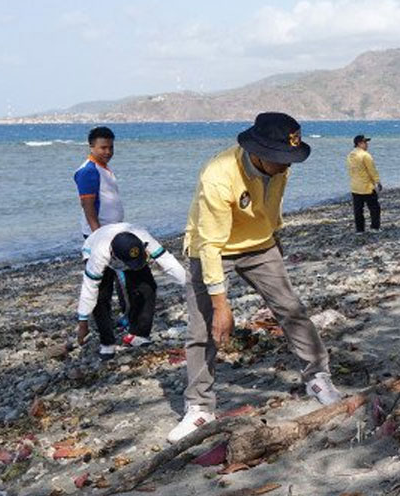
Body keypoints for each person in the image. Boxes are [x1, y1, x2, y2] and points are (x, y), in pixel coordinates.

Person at [171, 112, 340, 443]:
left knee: (292, 309)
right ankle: (200, 407)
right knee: (203, 328)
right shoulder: (218, 176)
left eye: (291, 157)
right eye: (282, 158)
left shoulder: (279, 167)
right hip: (210, 248)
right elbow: (210, 245)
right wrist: (222, 305)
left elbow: (271, 207)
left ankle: (317, 376)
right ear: (259, 152)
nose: (288, 165)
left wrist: (275, 237)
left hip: (260, 244)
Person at [76, 223, 187, 359]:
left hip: (128, 253)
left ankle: (138, 334)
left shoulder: (144, 237)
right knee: (101, 297)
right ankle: (107, 343)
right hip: (94, 247)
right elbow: (89, 290)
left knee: (147, 287)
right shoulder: (98, 257)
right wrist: (83, 322)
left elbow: (168, 262)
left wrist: (191, 286)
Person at [74, 126, 124, 237]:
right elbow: (88, 206)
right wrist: (98, 235)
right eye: (103, 148)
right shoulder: (88, 171)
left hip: (111, 229)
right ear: (92, 147)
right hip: (100, 233)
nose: (108, 152)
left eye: (111, 147)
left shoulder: (103, 167)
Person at [347, 134, 382, 232]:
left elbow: (350, 170)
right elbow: (372, 170)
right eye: (365, 142)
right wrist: (377, 182)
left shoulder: (350, 155)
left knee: (358, 210)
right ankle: (375, 227)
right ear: (359, 143)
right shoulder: (365, 155)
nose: (367, 144)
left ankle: (360, 230)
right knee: (374, 208)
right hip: (367, 187)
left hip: (355, 186)